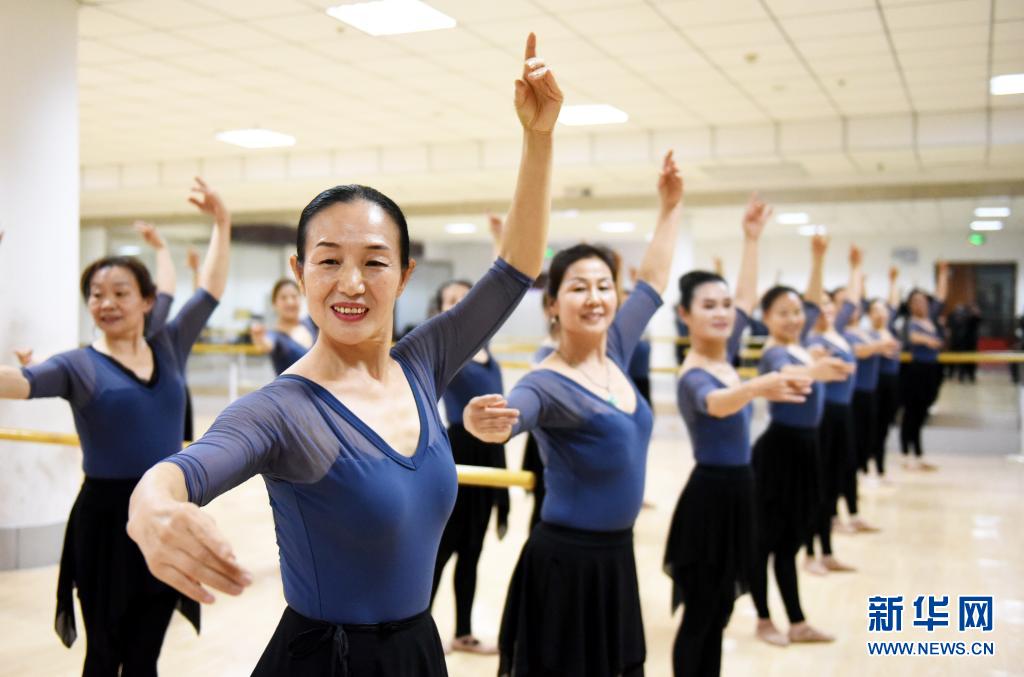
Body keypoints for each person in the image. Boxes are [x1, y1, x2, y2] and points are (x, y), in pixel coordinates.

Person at [125, 34, 561, 676]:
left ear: (404, 276)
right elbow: (184, 470)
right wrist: (151, 507)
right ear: (300, 272)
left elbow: (515, 269)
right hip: (326, 662)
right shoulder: (282, 411)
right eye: (328, 261)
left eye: (374, 262)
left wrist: (539, 138)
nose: (351, 284)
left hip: (416, 652)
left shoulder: (423, 363)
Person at [464, 150, 684, 677]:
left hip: (616, 557)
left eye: (604, 286)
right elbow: (513, 414)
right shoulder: (546, 382)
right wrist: (480, 419)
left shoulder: (618, 348)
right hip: (566, 564)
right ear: (552, 304)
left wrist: (670, 207)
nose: (595, 297)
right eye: (578, 287)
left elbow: (654, 280)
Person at [0, 178, 232, 676]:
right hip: (105, 520)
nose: (106, 302)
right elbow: (17, 382)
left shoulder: (169, 345)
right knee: (104, 655)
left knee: (146, 654)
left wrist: (221, 221)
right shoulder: (76, 366)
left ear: (148, 301)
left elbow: (209, 291)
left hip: (165, 511)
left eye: (120, 293)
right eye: (96, 295)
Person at [665, 196, 813, 675]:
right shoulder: (694, 372)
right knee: (701, 613)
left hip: (740, 492)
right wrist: (758, 386)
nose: (723, 312)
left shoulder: (725, 353)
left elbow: (747, 297)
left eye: (725, 305)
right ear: (685, 315)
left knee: (721, 611)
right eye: (709, 306)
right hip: (710, 499)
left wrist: (751, 239)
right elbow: (716, 403)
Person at [749, 234, 851, 649]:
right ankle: (763, 619)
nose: (793, 318)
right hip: (780, 452)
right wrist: (816, 372)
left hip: (807, 448)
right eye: (783, 313)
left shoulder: (802, 346)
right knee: (765, 541)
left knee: (790, 541)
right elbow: (782, 376)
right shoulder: (775, 352)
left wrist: (817, 259)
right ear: (767, 318)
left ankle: (796, 621)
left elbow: (811, 303)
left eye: (795, 313)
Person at [429, 218, 510, 656]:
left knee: (473, 551)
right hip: (458, 452)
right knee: (442, 550)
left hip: (491, 455)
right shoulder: (447, 353)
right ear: (441, 311)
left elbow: (497, 299)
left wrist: (501, 244)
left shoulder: (486, 349)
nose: (461, 306)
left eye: (466, 299)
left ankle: (462, 632)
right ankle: (419, 632)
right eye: (452, 301)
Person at [803, 245, 862, 575]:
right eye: (821, 305)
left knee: (837, 479)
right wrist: (819, 259)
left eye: (830, 305)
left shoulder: (836, 334)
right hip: (824, 418)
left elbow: (851, 302)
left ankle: (826, 550)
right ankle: (810, 552)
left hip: (843, 415)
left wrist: (855, 268)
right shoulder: (813, 340)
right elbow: (825, 367)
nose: (827, 309)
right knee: (820, 485)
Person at [899, 261, 949, 470]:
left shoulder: (932, 318)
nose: (919, 304)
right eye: (915, 301)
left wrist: (943, 273)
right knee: (911, 412)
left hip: (932, 371)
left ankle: (918, 454)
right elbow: (912, 337)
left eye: (922, 300)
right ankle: (906, 453)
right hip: (915, 371)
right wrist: (928, 340)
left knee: (922, 413)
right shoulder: (910, 322)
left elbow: (941, 297)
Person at [866, 266, 903, 481]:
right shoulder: (868, 335)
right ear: (869, 315)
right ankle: (872, 466)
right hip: (876, 384)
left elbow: (894, 304)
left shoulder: (891, 330)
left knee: (886, 426)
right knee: (875, 427)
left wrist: (893, 282)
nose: (881, 313)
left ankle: (880, 467)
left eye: (883, 310)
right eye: (875, 310)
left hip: (892, 383)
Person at [250, 279, 318, 375]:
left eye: (294, 296)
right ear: (274, 304)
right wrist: (259, 338)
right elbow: (265, 345)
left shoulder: (311, 322)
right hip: (292, 385)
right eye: (283, 298)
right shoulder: (275, 336)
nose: (290, 302)